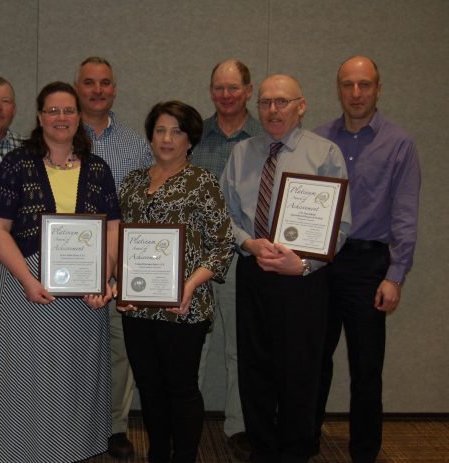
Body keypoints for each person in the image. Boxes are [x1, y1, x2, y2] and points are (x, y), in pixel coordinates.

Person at [0, 81, 120, 463]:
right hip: (25, 287)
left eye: (68, 111)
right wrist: (27, 279)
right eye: (53, 111)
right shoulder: (16, 164)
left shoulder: (97, 168)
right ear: (39, 117)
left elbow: (111, 229)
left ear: (79, 118)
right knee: (25, 379)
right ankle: (20, 451)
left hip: (81, 300)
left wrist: (103, 278)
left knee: (72, 379)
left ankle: (71, 450)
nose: (61, 118)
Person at [220, 74, 351, 463]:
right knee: (255, 367)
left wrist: (305, 264)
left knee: (300, 371)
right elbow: (224, 215)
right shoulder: (242, 152)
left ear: (301, 105)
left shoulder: (324, 153)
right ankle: (262, 448)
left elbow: (341, 223)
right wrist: (247, 242)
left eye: (282, 102)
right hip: (254, 271)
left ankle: (296, 450)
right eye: (265, 102)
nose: (273, 110)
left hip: (303, 279)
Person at [312, 56, 421, 463]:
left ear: (378, 88)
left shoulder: (399, 143)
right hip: (321, 263)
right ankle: (306, 442)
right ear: (337, 88)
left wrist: (396, 275)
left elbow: (405, 214)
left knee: (366, 367)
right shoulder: (318, 139)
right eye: (347, 85)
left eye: (364, 85)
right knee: (314, 360)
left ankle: (364, 453)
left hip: (368, 265)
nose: (355, 94)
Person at [118, 100, 235, 463]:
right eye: (160, 130)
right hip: (137, 307)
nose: (167, 138)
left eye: (176, 131)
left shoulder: (202, 182)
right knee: (150, 390)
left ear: (190, 139)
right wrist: (118, 282)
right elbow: (118, 240)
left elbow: (223, 244)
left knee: (182, 390)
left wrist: (189, 285)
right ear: (151, 136)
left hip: (183, 307)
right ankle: (157, 455)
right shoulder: (132, 182)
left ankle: (184, 456)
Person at [74, 56, 153, 459]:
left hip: (122, 262)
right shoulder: (60, 137)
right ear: (78, 88)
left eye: (105, 82)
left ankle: (115, 427)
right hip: (72, 264)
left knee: (122, 347)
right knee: (74, 346)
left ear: (115, 89)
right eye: (89, 83)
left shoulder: (135, 143)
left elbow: (144, 203)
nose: (98, 90)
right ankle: (72, 421)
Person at [191, 59, 264, 461]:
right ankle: (188, 421)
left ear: (249, 90)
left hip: (240, 257)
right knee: (194, 345)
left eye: (234, 88)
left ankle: (239, 426)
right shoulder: (195, 136)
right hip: (196, 258)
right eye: (219, 88)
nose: (226, 95)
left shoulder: (263, 138)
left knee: (240, 347)